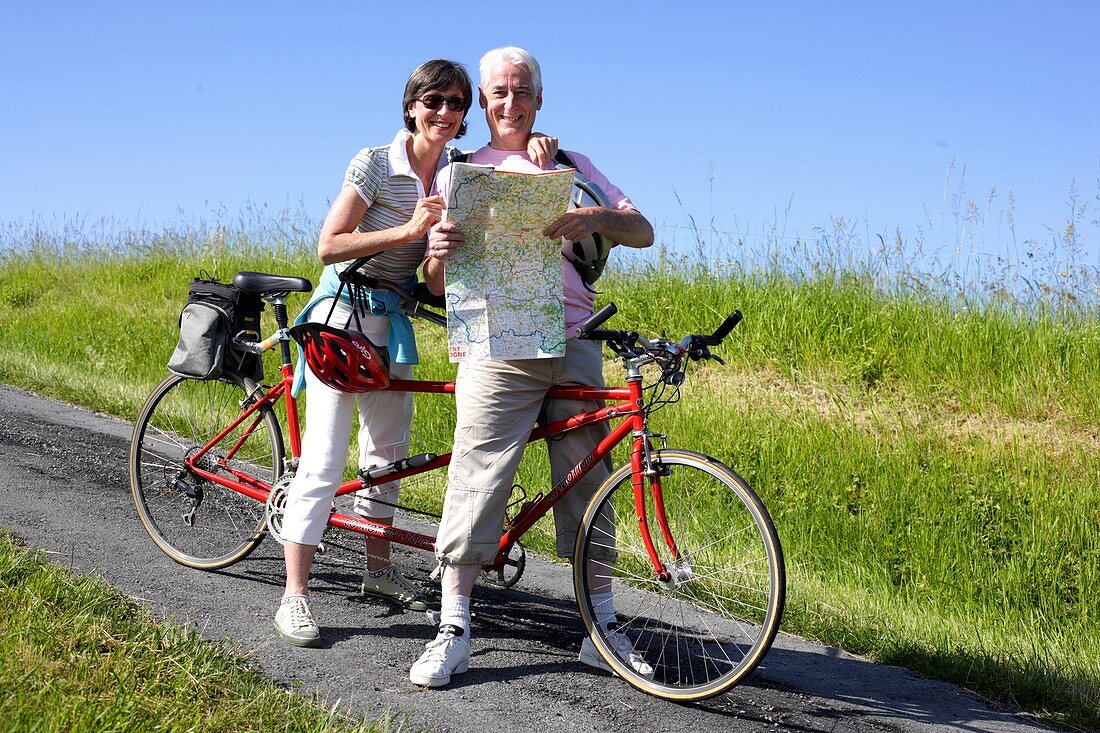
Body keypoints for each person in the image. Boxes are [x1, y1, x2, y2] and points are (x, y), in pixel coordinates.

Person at [274, 59, 557, 648]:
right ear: (411, 106)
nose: (446, 114)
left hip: (394, 322)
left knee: (388, 456)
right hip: (342, 317)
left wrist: (535, 146)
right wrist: (407, 231)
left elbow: (433, 283)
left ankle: (377, 573)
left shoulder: (456, 171)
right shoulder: (375, 162)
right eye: (434, 102)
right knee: (324, 460)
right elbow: (329, 246)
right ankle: (294, 596)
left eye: (456, 104)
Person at [413, 46, 654, 687]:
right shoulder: (458, 172)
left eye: (522, 91)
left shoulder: (571, 165)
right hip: (496, 342)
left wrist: (591, 215)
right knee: (477, 476)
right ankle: (453, 628)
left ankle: (599, 629)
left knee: (589, 483)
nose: (510, 102)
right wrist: (435, 252)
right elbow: (436, 286)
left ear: (540, 98)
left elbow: (644, 230)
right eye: (498, 92)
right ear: (483, 104)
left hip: (574, 339)